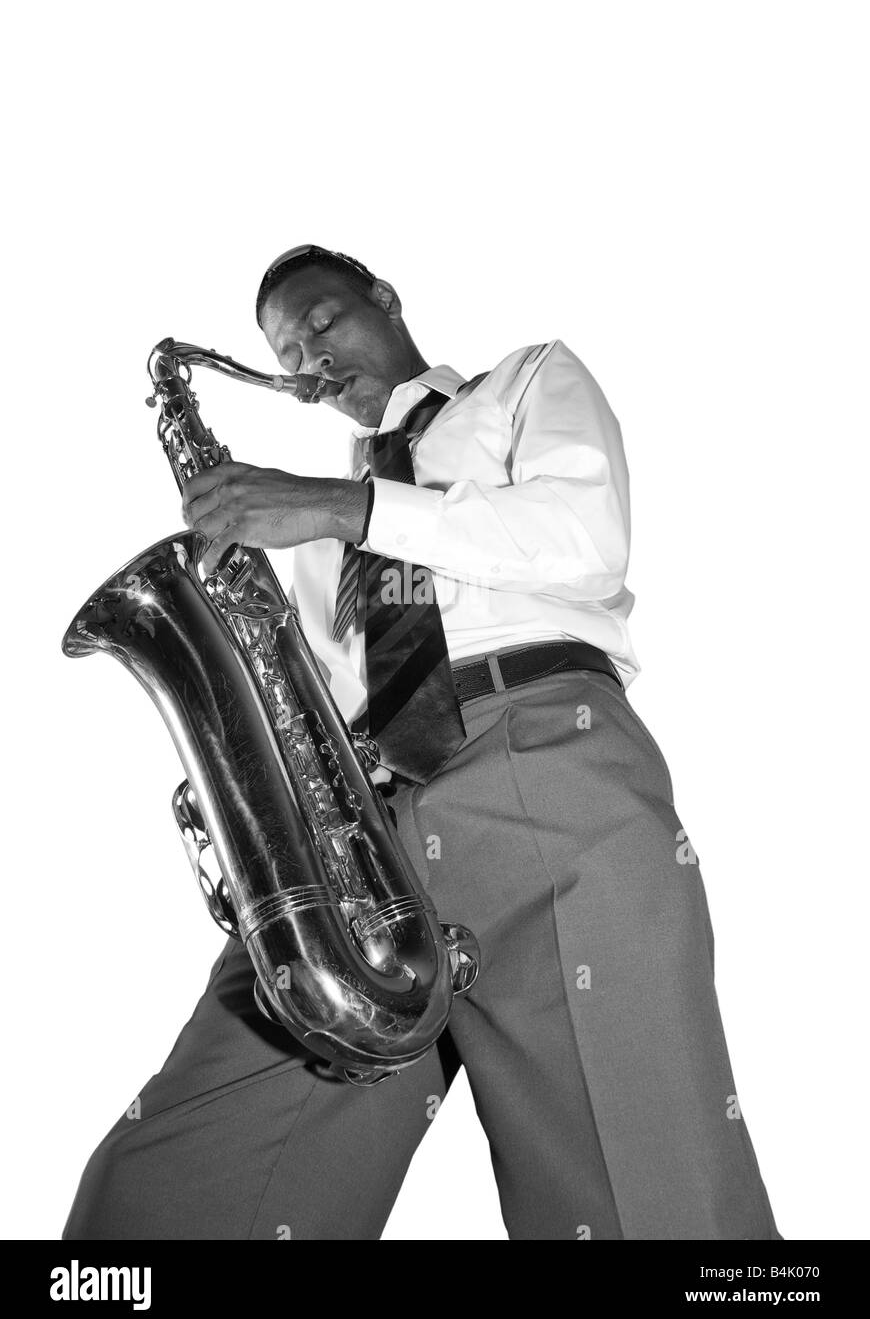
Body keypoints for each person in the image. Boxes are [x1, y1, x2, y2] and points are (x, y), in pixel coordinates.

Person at [62, 244, 782, 1240]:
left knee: (635, 1191)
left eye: (321, 324)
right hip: (371, 834)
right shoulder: (306, 530)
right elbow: (306, 703)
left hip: (548, 760)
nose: (310, 360)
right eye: (288, 353)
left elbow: (583, 535)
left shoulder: (526, 382)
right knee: (178, 1180)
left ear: (385, 299)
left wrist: (342, 506)